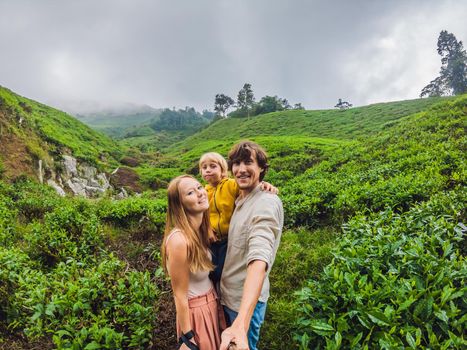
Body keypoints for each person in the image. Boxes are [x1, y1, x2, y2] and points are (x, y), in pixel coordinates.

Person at [219, 141, 284, 350]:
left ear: (262, 168)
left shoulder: (265, 203)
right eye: (236, 163)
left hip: (243, 304)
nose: (241, 169)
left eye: (248, 162)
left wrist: (241, 322)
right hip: (228, 296)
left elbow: (259, 257)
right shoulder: (239, 198)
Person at [161, 175, 224, 350]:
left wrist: (261, 186)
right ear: (179, 204)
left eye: (199, 187)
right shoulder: (179, 240)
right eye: (190, 192)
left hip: (212, 304)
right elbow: (179, 295)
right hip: (196, 313)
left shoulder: (201, 231)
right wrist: (188, 337)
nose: (199, 193)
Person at [199, 152, 278, 284]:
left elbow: (250, 186)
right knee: (209, 272)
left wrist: (265, 184)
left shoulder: (231, 184)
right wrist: (207, 229)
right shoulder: (203, 191)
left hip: (228, 239)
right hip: (212, 240)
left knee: (220, 273)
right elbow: (201, 214)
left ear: (223, 170)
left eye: (213, 166)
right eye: (204, 167)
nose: (208, 170)